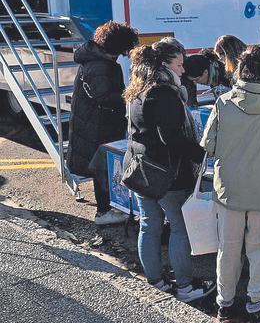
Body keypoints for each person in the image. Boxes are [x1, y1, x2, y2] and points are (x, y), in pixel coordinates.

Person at [201, 45, 260, 323]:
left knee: (228, 248)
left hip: (228, 188)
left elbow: (208, 145)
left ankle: (224, 304)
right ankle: (255, 303)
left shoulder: (223, 102)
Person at [123, 44, 215, 302]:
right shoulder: (163, 94)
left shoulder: (137, 90)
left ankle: (156, 282)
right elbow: (172, 138)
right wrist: (202, 155)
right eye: (178, 64)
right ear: (164, 65)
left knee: (149, 225)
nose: (183, 69)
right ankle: (185, 287)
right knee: (179, 227)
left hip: (142, 169)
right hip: (168, 174)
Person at [67, 21, 139, 225]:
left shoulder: (94, 59)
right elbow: (104, 96)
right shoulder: (99, 65)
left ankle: (108, 208)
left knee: (103, 166)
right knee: (103, 167)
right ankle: (104, 211)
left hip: (94, 121)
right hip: (97, 125)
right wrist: (132, 96)